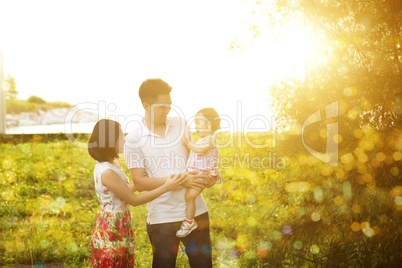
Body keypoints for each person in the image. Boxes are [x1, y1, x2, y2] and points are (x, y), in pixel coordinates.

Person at [124, 78, 217, 268]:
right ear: (146, 105)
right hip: (162, 218)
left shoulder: (181, 124)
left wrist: (208, 178)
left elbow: (197, 161)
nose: (167, 111)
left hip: (196, 214)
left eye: (170, 106)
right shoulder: (133, 139)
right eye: (162, 107)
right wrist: (180, 181)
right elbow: (140, 183)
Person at [88, 119, 186, 268]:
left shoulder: (111, 165)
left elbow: (123, 192)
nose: (124, 139)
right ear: (109, 141)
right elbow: (133, 200)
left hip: (119, 222)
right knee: (114, 263)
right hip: (112, 227)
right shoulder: (107, 172)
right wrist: (167, 186)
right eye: (120, 136)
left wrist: (144, 182)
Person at [176, 108, 222, 238]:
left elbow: (200, 151)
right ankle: (189, 221)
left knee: (189, 197)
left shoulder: (211, 139)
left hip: (203, 175)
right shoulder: (204, 139)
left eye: (198, 123)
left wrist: (189, 143)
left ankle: (189, 222)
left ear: (208, 124)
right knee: (188, 195)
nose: (195, 126)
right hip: (199, 173)